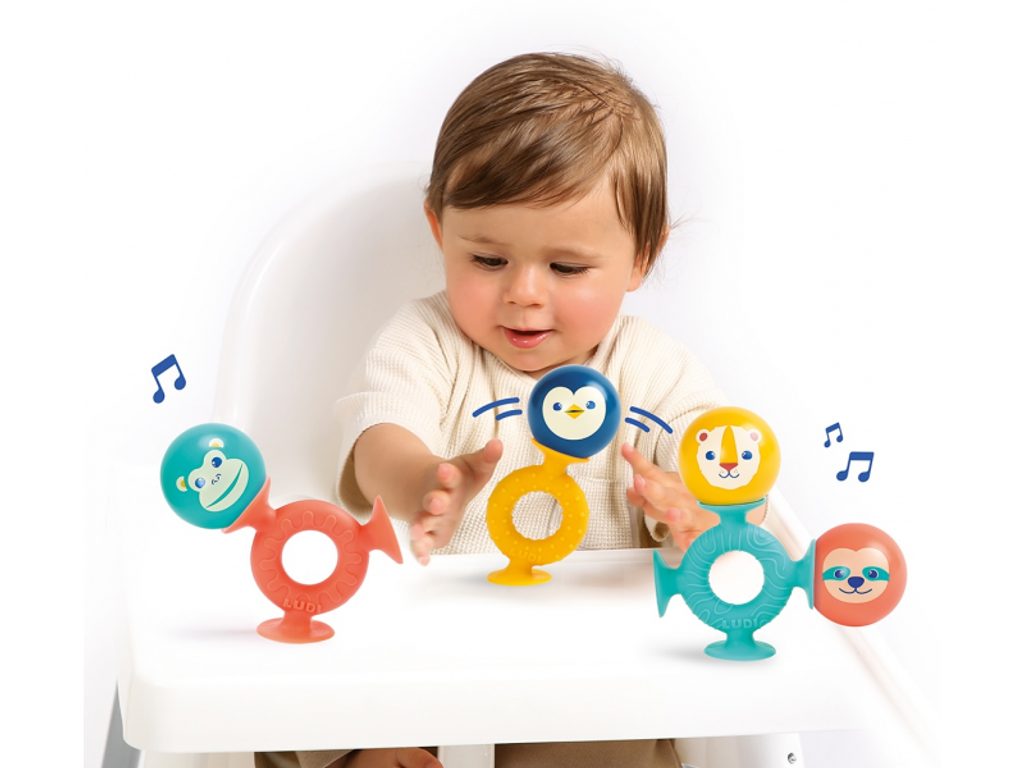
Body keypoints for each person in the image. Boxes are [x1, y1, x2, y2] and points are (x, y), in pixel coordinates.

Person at [256, 51, 765, 768]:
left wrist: (697, 513)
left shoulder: (653, 372)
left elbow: (733, 472)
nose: (524, 293)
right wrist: (427, 482)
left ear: (641, 257)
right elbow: (379, 442)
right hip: (419, 661)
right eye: (489, 260)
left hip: (584, 676)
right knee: (288, 706)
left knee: (617, 736)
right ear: (440, 230)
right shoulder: (427, 341)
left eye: (566, 267)